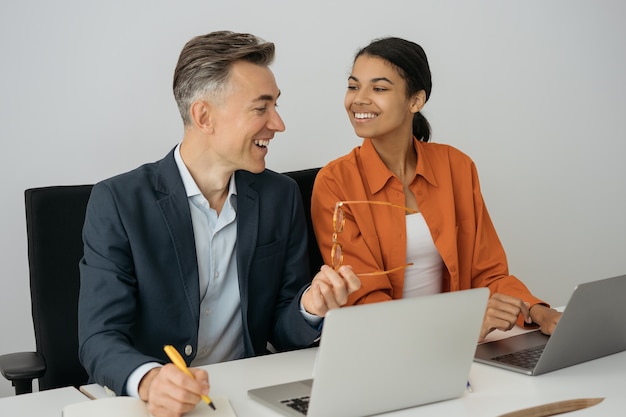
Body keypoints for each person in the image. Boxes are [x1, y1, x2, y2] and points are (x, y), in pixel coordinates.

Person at [78, 31, 360, 417]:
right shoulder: (119, 202)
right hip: (159, 404)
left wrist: (309, 307)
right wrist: (149, 380)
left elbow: (282, 329)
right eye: (261, 108)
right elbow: (99, 337)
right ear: (203, 116)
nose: (278, 124)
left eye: (275, 106)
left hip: (248, 396)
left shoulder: (281, 195)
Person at [310, 36, 561, 342]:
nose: (359, 99)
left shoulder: (456, 166)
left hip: (462, 344)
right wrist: (458, 329)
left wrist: (539, 312)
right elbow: (364, 301)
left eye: (378, 88)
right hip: (387, 345)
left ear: (415, 100)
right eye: (353, 86)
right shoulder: (335, 182)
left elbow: (489, 274)